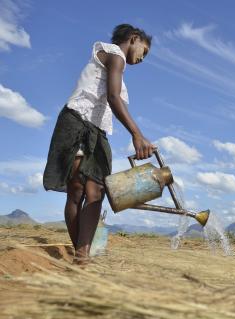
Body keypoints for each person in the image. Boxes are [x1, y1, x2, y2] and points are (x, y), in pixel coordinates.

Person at [43, 24, 155, 263]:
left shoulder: (117, 64)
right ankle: (81, 257)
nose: (142, 59)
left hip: (97, 131)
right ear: (134, 38)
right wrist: (137, 134)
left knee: (96, 191)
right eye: (143, 51)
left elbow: (113, 100)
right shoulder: (114, 53)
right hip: (75, 122)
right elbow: (113, 98)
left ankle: (83, 254)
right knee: (76, 191)